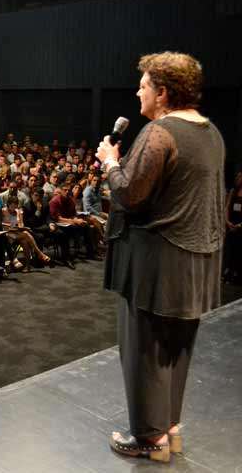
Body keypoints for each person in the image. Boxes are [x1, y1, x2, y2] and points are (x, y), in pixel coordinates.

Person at [97, 52, 225, 463]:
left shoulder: (159, 133)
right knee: (176, 348)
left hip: (156, 263)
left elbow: (131, 194)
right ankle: (169, 428)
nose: (138, 91)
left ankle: (150, 440)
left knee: (145, 350)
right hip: (197, 260)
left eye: (144, 85)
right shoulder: (212, 132)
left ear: (163, 93)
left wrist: (111, 163)